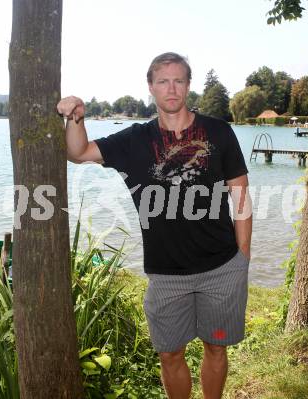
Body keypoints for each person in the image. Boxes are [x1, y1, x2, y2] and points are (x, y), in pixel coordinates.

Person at [57, 52, 252, 399]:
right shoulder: (134, 140)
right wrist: (76, 117)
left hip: (222, 267)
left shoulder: (218, 131)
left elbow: (240, 195)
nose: (171, 88)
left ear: (189, 85)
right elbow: (79, 152)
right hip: (165, 273)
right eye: (163, 81)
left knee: (216, 348)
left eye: (179, 80)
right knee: (169, 352)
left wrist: (243, 258)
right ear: (151, 87)